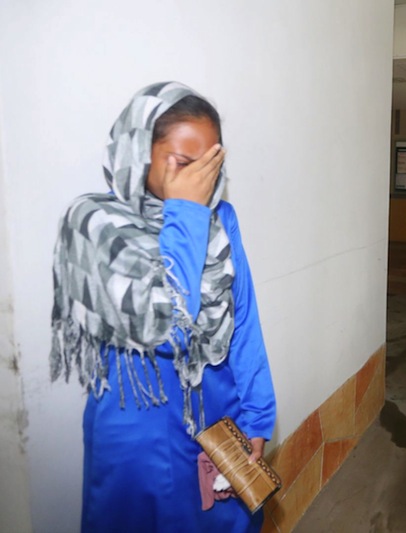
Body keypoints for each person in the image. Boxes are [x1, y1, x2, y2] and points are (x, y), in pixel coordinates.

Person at [50, 82, 277, 532]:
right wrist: (186, 213)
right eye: (182, 162)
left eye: (209, 164)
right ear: (138, 153)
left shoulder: (220, 220)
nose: (199, 178)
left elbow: (244, 319)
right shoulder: (97, 226)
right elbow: (168, 329)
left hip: (217, 412)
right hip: (137, 429)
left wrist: (258, 415)